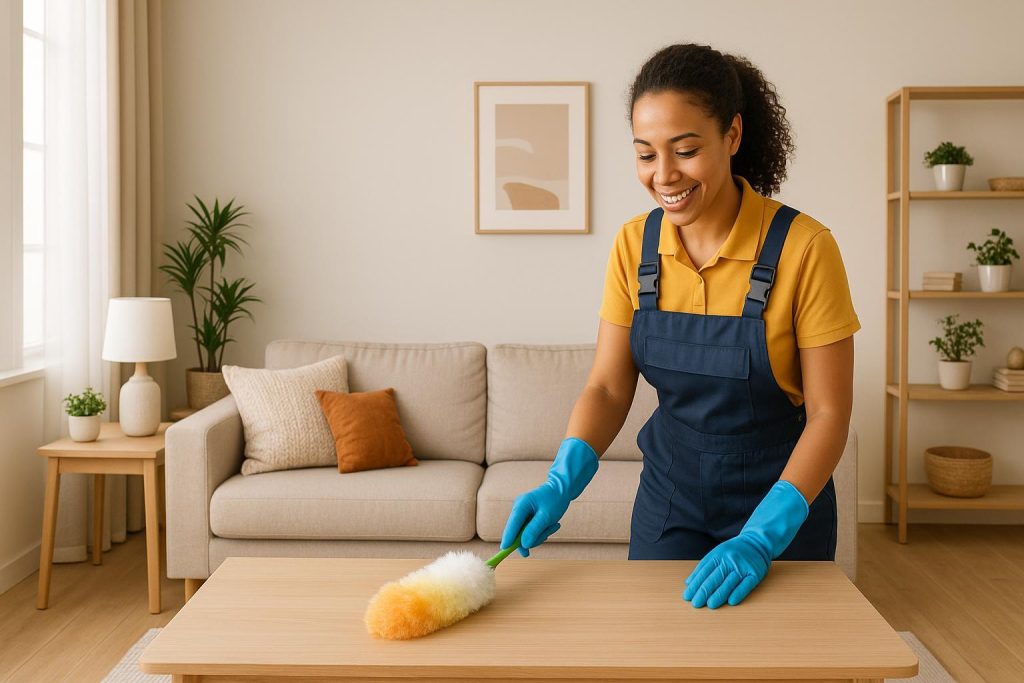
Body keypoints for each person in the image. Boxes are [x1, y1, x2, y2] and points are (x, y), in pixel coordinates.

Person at [499, 43, 860, 610]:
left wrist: (763, 537)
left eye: (685, 150)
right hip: (672, 500)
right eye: (645, 155)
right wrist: (560, 481)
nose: (663, 175)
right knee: (661, 653)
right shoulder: (634, 246)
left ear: (732, 136)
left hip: (783, 504)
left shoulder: (804, 248)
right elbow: (608, 387)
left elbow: (830, 415)